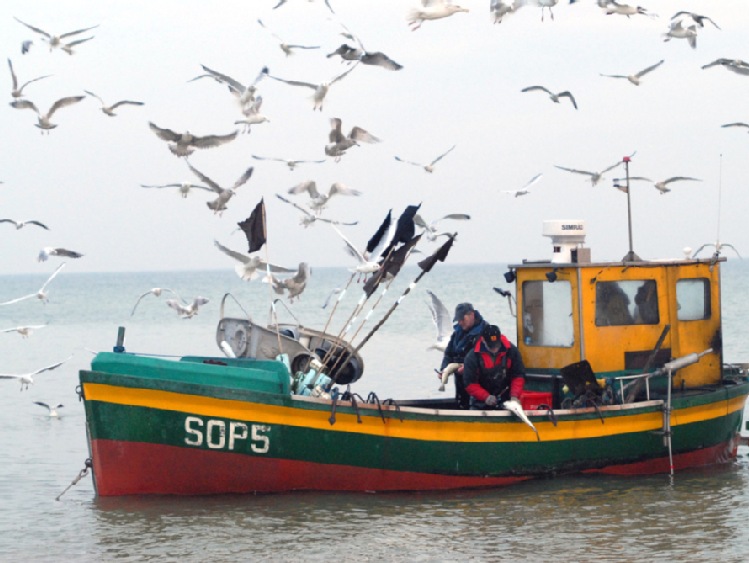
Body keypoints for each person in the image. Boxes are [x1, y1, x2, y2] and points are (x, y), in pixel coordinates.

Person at [462, 324, 526, 409]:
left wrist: (514, 396)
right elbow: (469, 383)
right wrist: (485, 396)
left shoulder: (512, 351)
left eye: (497, 345)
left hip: (506, 399)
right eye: (491, 346)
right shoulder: (472, 357)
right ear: (483, 340)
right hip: (479, 402)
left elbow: (518, 375)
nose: (495, 349)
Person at [440, 302, 487, 409]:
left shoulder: (485, 331)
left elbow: (489, 357)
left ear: (471, 315)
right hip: (460, 381)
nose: (460, 322)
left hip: (478, 383)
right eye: (458, 320)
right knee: (461, 405)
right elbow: (449, 353)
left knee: (475, 407)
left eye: (463, 319)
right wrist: (444, 369)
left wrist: (469, 368)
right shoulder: (457, 333)